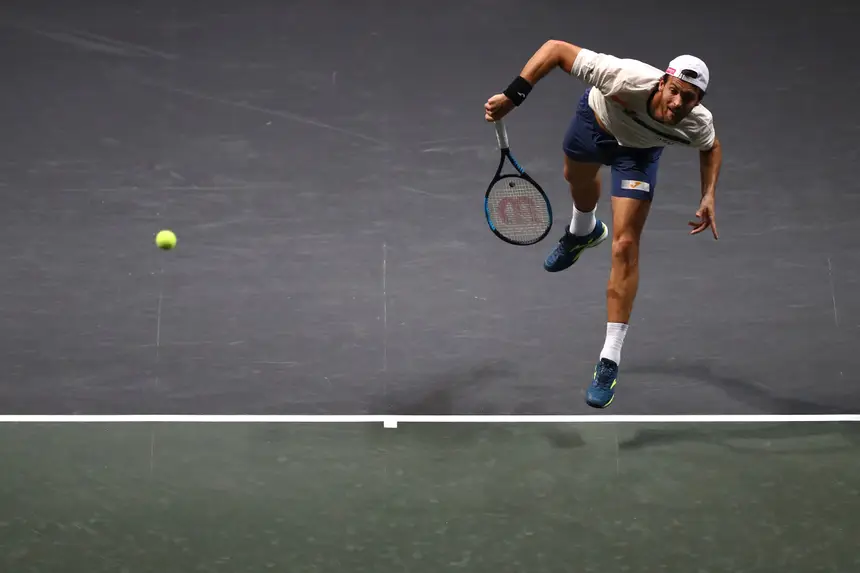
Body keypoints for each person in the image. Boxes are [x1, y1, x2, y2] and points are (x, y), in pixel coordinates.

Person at [484, 40, 722, 409]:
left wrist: (708, 195)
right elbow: (555, 50)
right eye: (674, 91)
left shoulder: (696, 122)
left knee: (626, 245)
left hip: (638, 156)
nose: (677, 103)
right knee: (576, 182)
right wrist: (514, 96)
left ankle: (609, 359)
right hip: (592, 125)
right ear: (662, 82)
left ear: (698, 102)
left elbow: (711, 146)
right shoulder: (623, 77)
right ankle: (584, 229)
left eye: (689, 98)